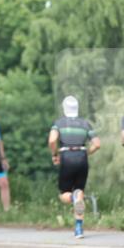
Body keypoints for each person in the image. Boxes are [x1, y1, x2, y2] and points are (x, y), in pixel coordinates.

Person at [49, 96, 101, 240]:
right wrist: (86, 153)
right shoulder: (85, 123)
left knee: (64, 194)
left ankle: (72, 198)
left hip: (66, 157)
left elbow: (52, 140)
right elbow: (97, 144)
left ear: (64, 109)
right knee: (80, 192)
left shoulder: (59, 123)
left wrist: (54, 154)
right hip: (82, 158)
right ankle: (79, 229)